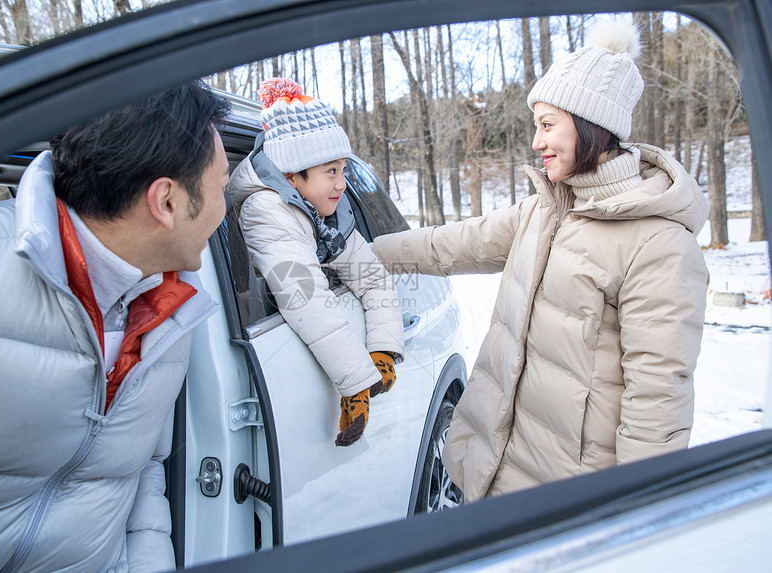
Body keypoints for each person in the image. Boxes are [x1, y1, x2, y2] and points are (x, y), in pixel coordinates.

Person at [371, 21, 709, 501]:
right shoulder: (546, 210)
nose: (536, 141)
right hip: (494, 473)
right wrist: (364, 255)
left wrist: (634, 516)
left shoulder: (658, 243)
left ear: (591, 127)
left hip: (568, 501)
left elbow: (658, 403)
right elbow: (452, 244)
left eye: (548, 125)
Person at [0, 82, 230, 572]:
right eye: (222, 189)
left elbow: (141, 468)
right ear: (165, 201)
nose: (224, 211)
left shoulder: (175, 313)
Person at [228, 78, 404, 447]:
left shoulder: (326, 215)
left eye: (343, 170)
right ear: (293, 173)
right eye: (331, 171)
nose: (342, 185)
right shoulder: (267, 210)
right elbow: (306, 297)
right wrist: (358, 382)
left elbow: (372, 278)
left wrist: (383, 349)